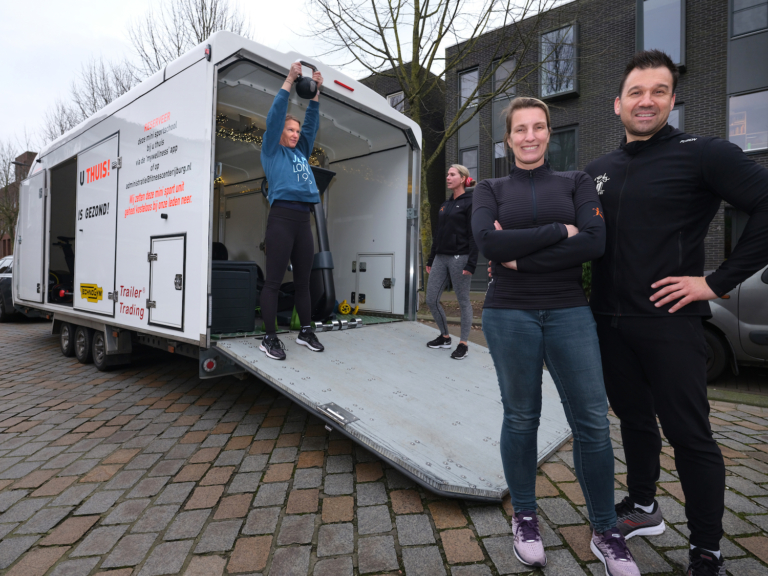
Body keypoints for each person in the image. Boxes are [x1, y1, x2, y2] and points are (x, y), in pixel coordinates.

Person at [584, 50, 768, 576]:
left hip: (670, 324)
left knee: (690, 435)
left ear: (671, 99)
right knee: (635, 422)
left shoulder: (704, 153)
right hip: (609, 325)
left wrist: (716, 282)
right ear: (617, 103)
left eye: (658, 91)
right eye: (636, 92)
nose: (647, 101)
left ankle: (705, 549)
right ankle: (643, 507)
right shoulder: (598, 171)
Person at [473, 97, 640, 575]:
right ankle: (525, 516)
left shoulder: (577, 181)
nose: (530, 136)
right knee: (522, 417)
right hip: (509, 315)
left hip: (570, 311)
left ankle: (606, 529)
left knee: (591, 420)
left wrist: (519, 256)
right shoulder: (489, 186)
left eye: (538, 127)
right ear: (508, 139)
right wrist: (556, 232)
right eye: (520, 129)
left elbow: (594, 242)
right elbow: (488, 242)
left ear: (549, 132)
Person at [259, 62, 325, 361]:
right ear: (280, 133)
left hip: (303, 220)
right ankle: (269, 337)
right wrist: (289, 80)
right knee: (273, 281)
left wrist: (316, 96)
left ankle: (305, 331)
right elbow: (274, 116)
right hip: (281, 218)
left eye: (297, 131)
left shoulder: (300, 152)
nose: (296, 134)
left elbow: (312, 124)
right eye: (291, 130)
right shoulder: (273, 150)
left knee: (304, 282)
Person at [425, 165, 478, 359]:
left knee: (463, 301)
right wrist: (431, 258)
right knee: (430, 299)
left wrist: (471, 262)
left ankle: (463, 343)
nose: (448, 177)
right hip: (440, 257)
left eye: (452, 174)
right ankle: (445, 337)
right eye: (447, 174)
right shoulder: (444, 205)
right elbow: (438, 234)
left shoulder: (470, 202)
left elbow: (474, 234)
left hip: (460, 257)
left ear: (463, 178)